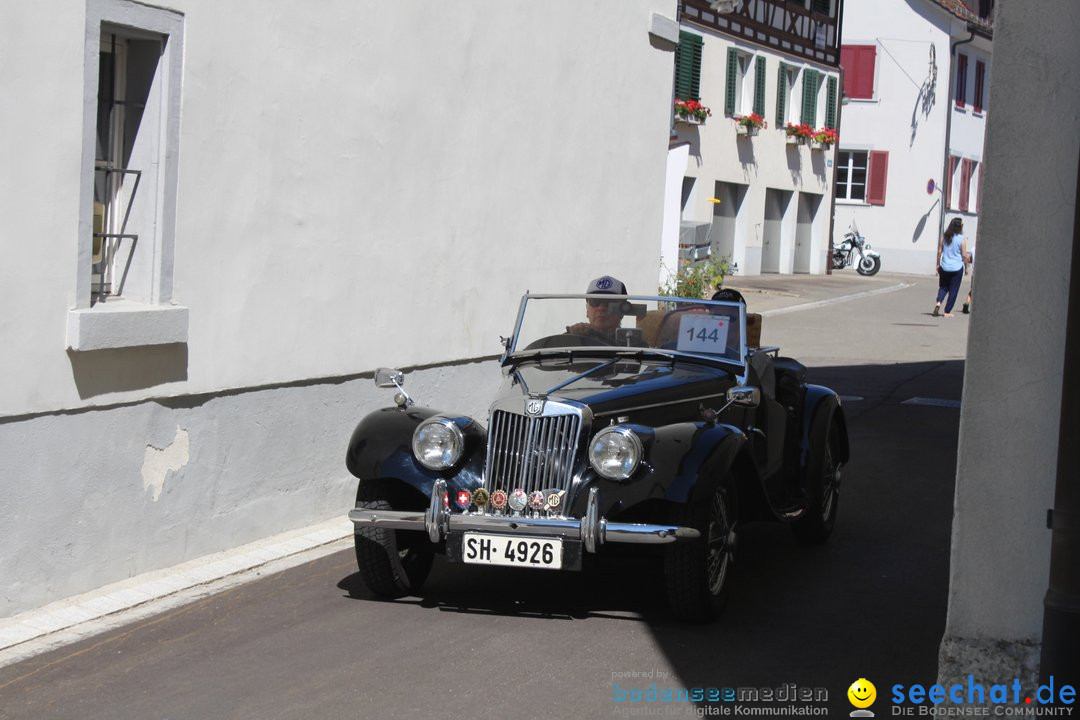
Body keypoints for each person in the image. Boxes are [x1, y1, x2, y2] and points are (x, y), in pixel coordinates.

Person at [566, 275, 627, 341]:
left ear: (622, 311)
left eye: (609, 302)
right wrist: (571, 336)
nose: (601, 308)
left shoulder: (632, 344)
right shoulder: (572, 342)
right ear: (587, 310)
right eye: (594, 301)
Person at [933, 218, 969, 318]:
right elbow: (964, 255)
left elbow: (940, 252)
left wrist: (938, 264)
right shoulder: (962, 239)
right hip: (956, 268)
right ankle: (947, 311)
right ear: (960, 227)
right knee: (953, 290)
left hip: (944, 267)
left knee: (943, 287)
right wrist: (966, 268)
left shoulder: (944, 237)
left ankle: (938, 303)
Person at [962, 244, 975, 314]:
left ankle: (967, 303)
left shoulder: (973, 249)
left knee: (973, 290)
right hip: (983, 273)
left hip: (974, 272)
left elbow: (969, 260)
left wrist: (966, 268)